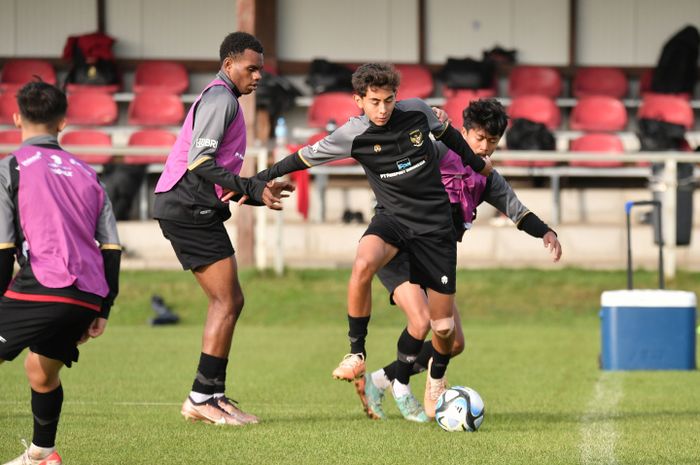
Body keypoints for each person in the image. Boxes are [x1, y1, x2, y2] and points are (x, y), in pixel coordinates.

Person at [255, 62, 494, 417]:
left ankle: (434, 380)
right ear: (358, 100)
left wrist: (477, 164)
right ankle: (357, 352)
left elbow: (450, 137)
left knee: (444, 330)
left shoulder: (417, 112)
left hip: (434, 229)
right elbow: (303, 157)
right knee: (364, 260)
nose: (382, 109)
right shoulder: (351, 134)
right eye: (374, 101)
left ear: (397, 97)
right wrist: (257, 181)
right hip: (393, 221)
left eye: (388, 100)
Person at [356, 98, 563, 421]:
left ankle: (379, 380)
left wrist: (545, 232)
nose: (484, 147)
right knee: (422, 321)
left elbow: (517, 211)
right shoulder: (437, 153)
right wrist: (428, 118)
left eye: (492, 142)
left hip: (436, 258)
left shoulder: (487, 177)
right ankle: (404, 386)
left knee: (452, 343)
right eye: (478, 138)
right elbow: (407, 143)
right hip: (401, 249)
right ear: (463, 132)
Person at [152, 32, 293, 426]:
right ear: (228, 65)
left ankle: (211, 393)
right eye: (251, 68)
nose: (258, 76)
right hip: (186, 206)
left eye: (261, 70)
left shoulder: (224, 99)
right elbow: (199, 161)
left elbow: (213, 169)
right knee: (227, 301)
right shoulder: (220, 99)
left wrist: (245, 189)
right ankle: (201, 397)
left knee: (230, 300)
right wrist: (251, 186)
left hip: (193, 205)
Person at [0, 81, 121, 465]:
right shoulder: (89, 173)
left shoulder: (10, 167)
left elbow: (3, 249)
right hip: (87, 295)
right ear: (63, 122)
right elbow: (111, 246)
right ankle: (42, 454)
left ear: (16, 117)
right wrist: (104, 307)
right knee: (40, 369)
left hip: (43, 288)